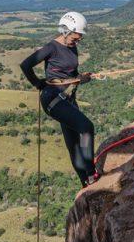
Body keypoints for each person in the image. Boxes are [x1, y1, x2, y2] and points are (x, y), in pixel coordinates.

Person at [19, 11, 96, 186]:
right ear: (65, 31)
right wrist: (38, 84)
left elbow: (70, 74)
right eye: (76, 38)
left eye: (79, 39)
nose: (78, 42)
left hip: (67, 99)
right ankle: (91, 174)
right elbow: (25, 65)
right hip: (53, 98)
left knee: (74, 144)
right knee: (86, 128)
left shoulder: (72, 47)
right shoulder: (51, 48)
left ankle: (86, 182)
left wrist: (81, 77)